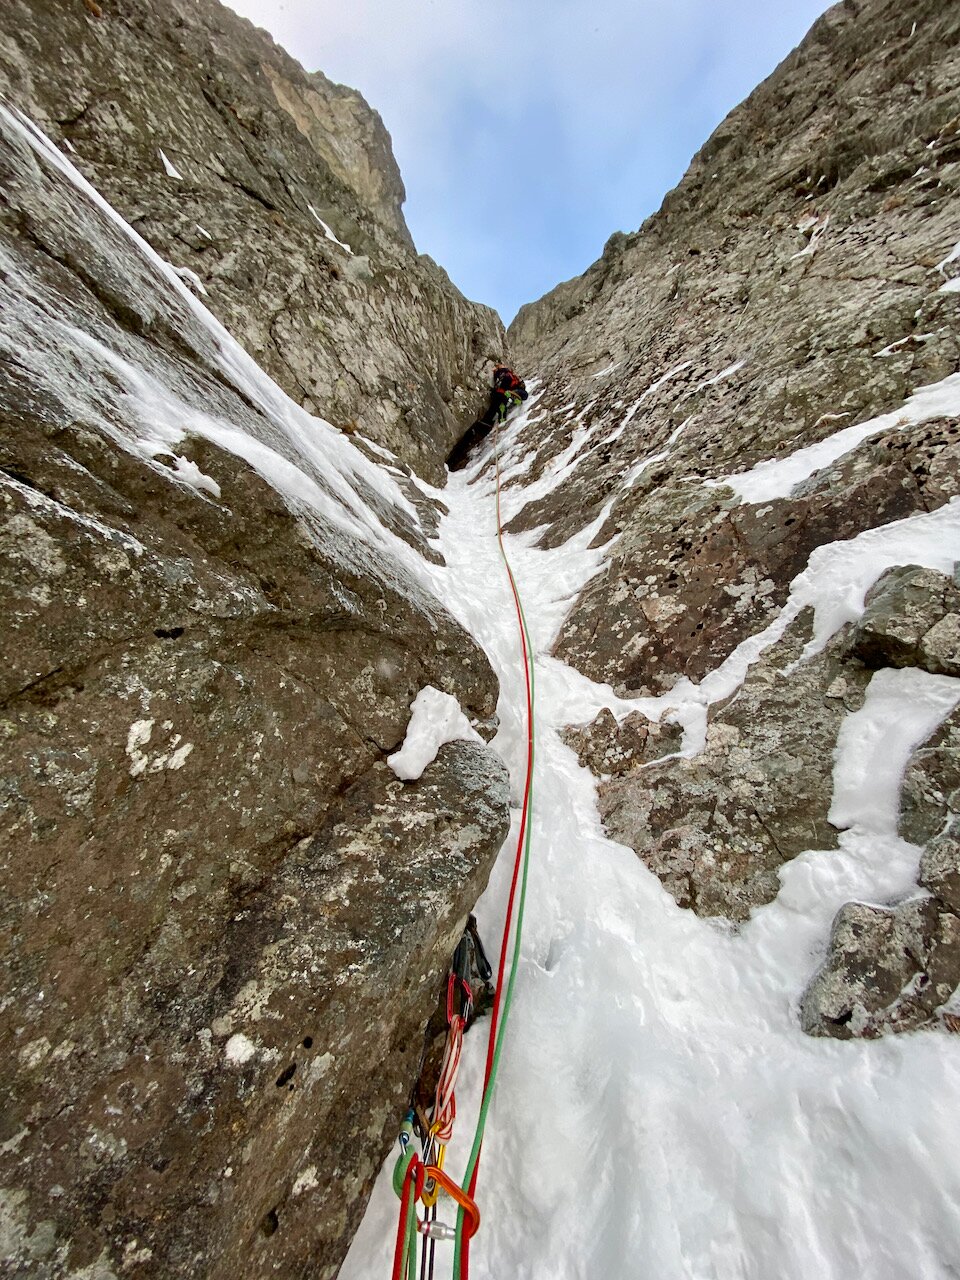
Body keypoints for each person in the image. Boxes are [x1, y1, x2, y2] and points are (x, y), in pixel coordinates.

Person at [447, 363, 529, 470]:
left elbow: (499, 390)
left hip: (503, 393)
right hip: (511, 392)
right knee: (520, 396)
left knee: (500, 405)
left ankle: (504, 412)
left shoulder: (502, 375)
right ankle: (512, 400)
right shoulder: (508, 375)